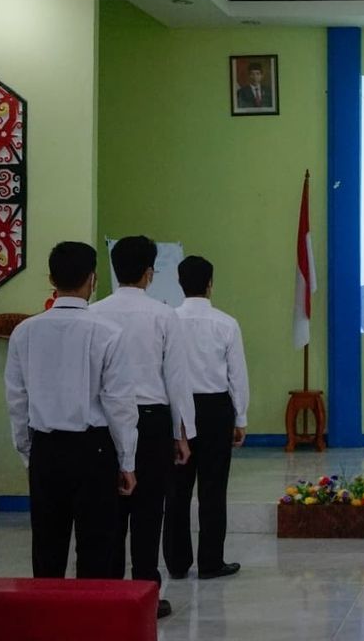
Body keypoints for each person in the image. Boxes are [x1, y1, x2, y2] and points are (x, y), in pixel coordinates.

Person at [4, 242, 138, 579]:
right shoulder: (109, 333)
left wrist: (29, 453)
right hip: (94, 450)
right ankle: (90, 611)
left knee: (47, 548)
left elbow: (17, 400)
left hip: (46, 448)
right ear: (93, 279)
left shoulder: (24, 332)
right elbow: (119, 404)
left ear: (51, 279)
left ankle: (48, 610)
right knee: (96, 548)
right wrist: (127, 461)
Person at [90, 235, 195, 619]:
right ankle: (146, 592)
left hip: (103, 420)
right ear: (150, 273)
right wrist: (181, 433)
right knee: (149, 509)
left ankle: (110, 589)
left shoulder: (94, 313)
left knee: (109, 510)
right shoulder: (163, 315)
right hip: (151, 420)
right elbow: (176, 379)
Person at [163, 256, 248, 581]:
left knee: (176, 489)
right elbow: (236, 375)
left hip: (177, 408)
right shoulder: (226, 323)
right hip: (215, 409)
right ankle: (211, 562)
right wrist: (240, 417)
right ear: (210, 284)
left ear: (180, 284)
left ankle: (177, 562)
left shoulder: (168, 320)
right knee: (213, 488)